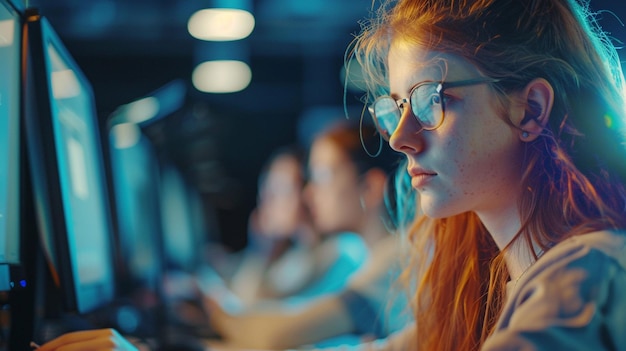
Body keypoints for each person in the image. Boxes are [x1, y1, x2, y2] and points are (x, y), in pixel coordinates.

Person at [333, 0, 626, 349]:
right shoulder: (480, 292)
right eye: (397, 106)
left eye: (431, 99)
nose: (399, 138)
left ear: (530, 109)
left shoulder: (591, 276)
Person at [203, 121, 411, 350]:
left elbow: (273, 336)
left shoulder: (395, 262)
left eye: (323, 177)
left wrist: (207, 311)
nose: (309, 193)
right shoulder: (369, 256)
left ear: (370, 187)